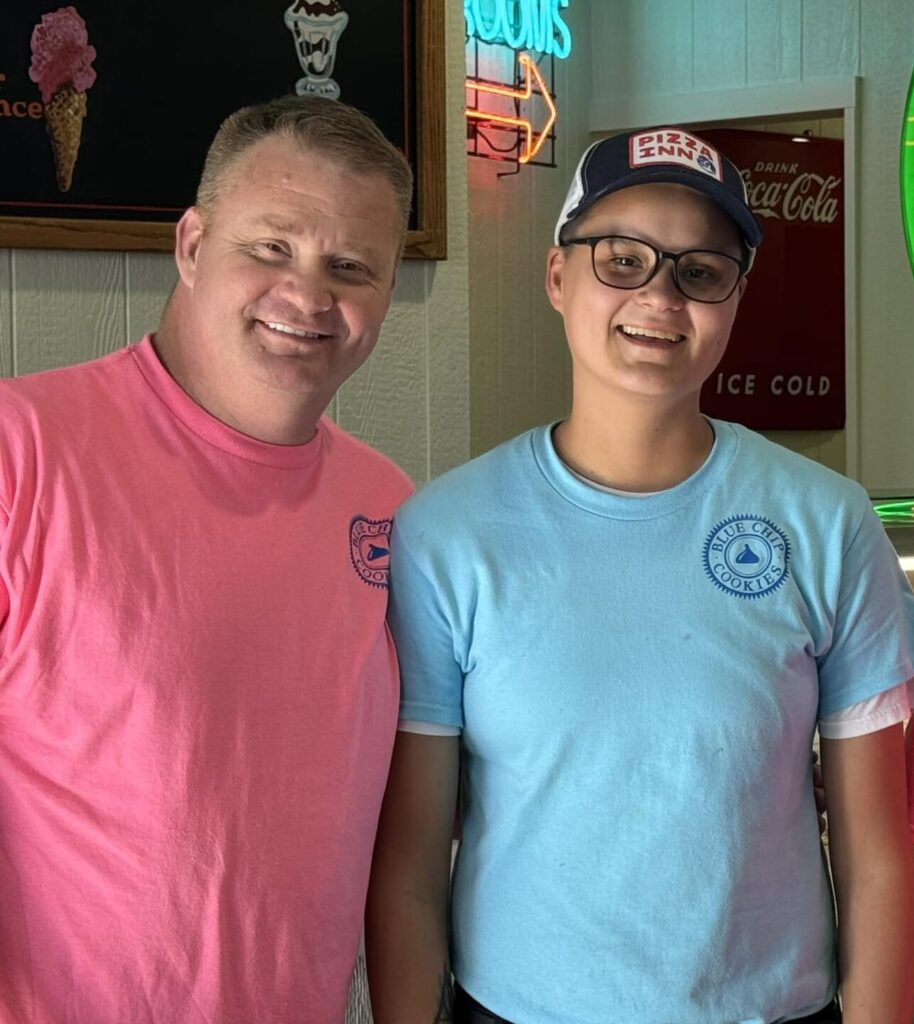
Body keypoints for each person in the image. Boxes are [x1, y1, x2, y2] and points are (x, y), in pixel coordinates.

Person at [366, 127, 914, 1024]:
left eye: (701, 271)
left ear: (736, 299)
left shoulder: (827, 521)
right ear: (557, 277)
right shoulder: (447, 533)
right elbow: (411, 868)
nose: (660, 296)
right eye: (622, 260)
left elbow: (877, 855)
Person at [0, 95, 413, 1023]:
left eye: (351, 267)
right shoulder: (21, 453)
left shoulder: (388, 508)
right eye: (272, 247)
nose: (308, 296)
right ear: (192, 245)